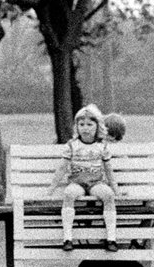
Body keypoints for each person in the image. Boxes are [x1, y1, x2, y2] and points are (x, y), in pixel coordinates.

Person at [50, 104, 118, 251]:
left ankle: (111, 239)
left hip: (95, 183)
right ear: (77, 127)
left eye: (89, 124)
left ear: (97, 126)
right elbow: (62, 167)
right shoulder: (72, 145)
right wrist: (51, 189)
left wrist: (115, 189)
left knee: (108, 195)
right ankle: (67, 238)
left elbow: (108, 169)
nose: (85, 128)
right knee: (69, 194)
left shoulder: (102, 146)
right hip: (77, 183)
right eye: (81, 124)